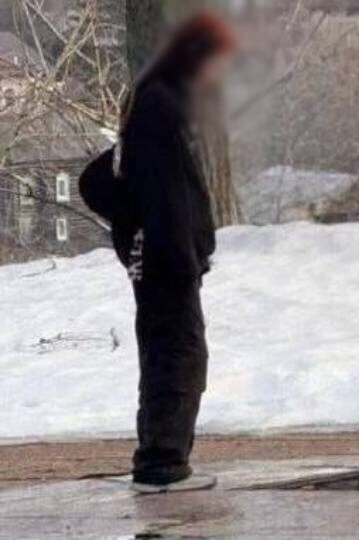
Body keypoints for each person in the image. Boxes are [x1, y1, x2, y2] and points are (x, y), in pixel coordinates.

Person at [119, 12, 236, 494]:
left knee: (167, 353)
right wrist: (183, 256)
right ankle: (162, 463)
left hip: (160, 257)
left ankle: (160, 457)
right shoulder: (161, 106)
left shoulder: (153, 100)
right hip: (167, 260)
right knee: (179, 355)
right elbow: (167, 195)